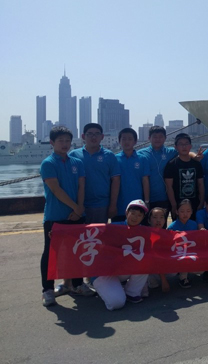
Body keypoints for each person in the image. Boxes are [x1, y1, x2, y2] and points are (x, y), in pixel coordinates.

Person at [40, 126, 94, 307]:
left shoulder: (77, 162)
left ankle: (77, 284)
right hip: (55, 216)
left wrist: (79, 209)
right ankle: (47, 290)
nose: (64, 144)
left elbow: (81, 187)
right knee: (51, 254)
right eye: (60, 141)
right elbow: (56, 190)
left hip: (77, 215)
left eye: (67, 141)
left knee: (77, 251)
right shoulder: (48, 163)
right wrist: (75, 207)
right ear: (52, 142)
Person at [93, 200, 149, 309]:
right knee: (116, 303)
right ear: (127, 212)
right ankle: (106, 288)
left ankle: (131, 292)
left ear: (143, 217)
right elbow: (91, 238)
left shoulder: (143, 231)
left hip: (123, 270)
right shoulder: (113, 227)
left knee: (145, 260)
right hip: (105, 272)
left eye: (139, 215)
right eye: (133, 213)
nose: (135, 217)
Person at [68, 123, 120, 225]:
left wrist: (113, 205)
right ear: (83, 136)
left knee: (99, 234)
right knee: (79, 234)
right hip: (78, 205)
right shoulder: (73, 155)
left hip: (101, 205)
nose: (93, 137)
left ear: (102, 137)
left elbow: (116, 181)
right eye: (90, 134)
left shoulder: (109, 156)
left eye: (97, 134)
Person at [137, 126, 178, 224]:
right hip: (146, 199)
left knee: (161, 227)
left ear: (165, 138)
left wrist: (195, 157)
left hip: (164, 198)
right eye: (155, 137)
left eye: (160, 137)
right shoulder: (141, 154)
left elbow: (185, 153)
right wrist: (146, 201)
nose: (157, 139)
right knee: (146, 227)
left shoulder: (170, 152)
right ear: (149, 138)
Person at [164, 133, 205, 221]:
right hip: (178, 205)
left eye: (186, 144)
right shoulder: (171, 164)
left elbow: (200, 184)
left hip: (194, 203)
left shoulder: (197, 164)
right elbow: (169, 187)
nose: (184, 147)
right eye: (181, 144)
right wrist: (174, 205)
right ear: (176, 147)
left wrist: (201, 202)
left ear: (190, 146)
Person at [114, 128, 150, 223]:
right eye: (124, 139)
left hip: (138, 205)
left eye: (130, 139)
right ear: (119, 141)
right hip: (119, 205)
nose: (127, 142)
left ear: (135, 141)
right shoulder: (114, 159)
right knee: (119, 230)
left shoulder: (142, 159)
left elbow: (145, 181)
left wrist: (147, 201)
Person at [167, 199, 198, 288]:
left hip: (190, 251)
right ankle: (183, 278)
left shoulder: (194, 224)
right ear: (177, 212)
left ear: (191, 212)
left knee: (201, 269)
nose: (185, 214)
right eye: (182, 211)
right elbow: (168, 243)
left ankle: (184, 274)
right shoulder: (172, 226)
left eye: (188, 211)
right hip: (177, 252)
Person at [146, 207, 174, 292]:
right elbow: (156, 258)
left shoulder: (168, 234)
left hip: (163, 267)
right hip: (149, 269)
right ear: (149, 220)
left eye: (161, 217)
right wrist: (163, 280)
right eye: (155, 217)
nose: (158, 220)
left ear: (165, 220)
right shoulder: (145, 235)